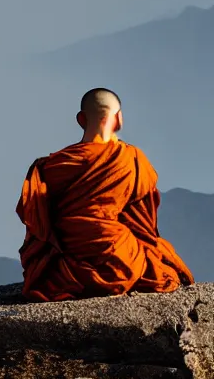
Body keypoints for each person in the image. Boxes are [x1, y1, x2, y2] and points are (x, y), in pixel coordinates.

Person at [16, 88, 194, 301]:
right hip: (115, 246)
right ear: (119, 119)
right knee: (158, 269)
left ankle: (70, 273)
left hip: (65, 248)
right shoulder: (132, 159)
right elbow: (142, 220)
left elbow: (39, 216)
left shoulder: (52, 165)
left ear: (81, 119)